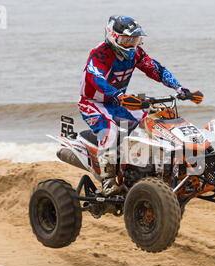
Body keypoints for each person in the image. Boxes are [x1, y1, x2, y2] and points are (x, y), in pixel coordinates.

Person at [78, 15, 199, 196]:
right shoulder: (100, 54)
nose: (131, 43)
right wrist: (118, 95)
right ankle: (108, 180)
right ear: (113, 37)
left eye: (134, 39)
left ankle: (151, 168)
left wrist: (179, 87)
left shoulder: (136, 53)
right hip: (94, 103)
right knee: (109, 131)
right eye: (127, 39)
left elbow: (156, 69)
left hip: (118, 101)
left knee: (153, 121)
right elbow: (95, 78)